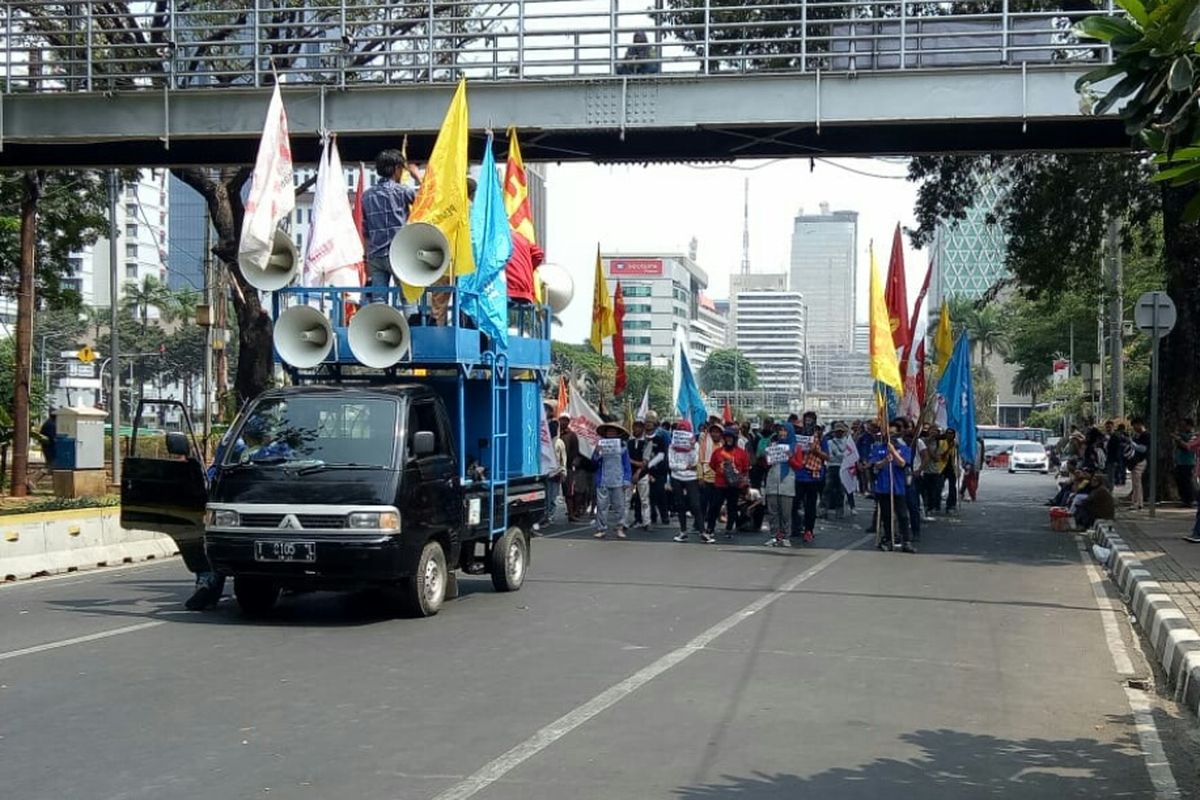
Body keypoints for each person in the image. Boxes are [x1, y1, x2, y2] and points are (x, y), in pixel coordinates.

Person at [361, 149, 422, 305]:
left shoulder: (367, 195)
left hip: (375, 256)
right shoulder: (402, 191)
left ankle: (379, 327)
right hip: (399, 255)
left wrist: (367, 258)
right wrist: (417, 175)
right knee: (408, 299)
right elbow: (427, 202)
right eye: (402, 169)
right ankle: (411, 327)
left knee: (379, 301)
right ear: (396, 169)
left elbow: (366, 231)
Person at [870, 419, 914, 553]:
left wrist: (894, 452)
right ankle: (889, 539)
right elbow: (875, 466)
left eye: (894, 434)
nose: (891, 437)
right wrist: (884, 461)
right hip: (883, 487)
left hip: (898, 487)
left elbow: (903, 464)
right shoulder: (878, 449)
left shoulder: (905, 449)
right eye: (889, 434)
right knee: (887, 516)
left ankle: (906, 541)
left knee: (903, 515)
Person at [761, 422, 801, 547]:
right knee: (773, 511)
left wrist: (790, 458)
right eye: (780, 431)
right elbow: (766, 464)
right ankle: (774, 536)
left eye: (785, 431)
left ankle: (785, 536)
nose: (782, 433)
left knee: (786, 512)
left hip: (787, 482)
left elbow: (799, 466)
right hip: (773, 481)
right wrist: (767, 456)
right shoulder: (773, 445)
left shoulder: (795, 447)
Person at [670, 421, 711, 543]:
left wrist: (692, 448)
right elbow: (671, 464)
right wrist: (684, 467)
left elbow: (695, 462)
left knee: (695, 505)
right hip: (676, 477)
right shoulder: (672, 446)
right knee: (679, 505)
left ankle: (702, 532)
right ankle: (683, 532)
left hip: (691, 478)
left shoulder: (695, 445)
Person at [707, 426, 750, 539]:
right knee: (715, 506)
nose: (728, 440)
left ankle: (729, 529)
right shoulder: (718, 452)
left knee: (732, 508)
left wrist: (742, 481)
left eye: (731, 437)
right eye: (726, 437)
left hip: (734, 485)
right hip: (720, 484)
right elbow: (712, 465)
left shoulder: (741, 453)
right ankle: (710, 528)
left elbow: (745, 469)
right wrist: (721, 470)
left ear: (735, 439)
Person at [792, 411, 828, 544]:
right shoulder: (798, 437)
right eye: (806, 419)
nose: (808, 422)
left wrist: (815, 450)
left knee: (810, 506)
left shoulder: (820, 437)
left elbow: (827, 456)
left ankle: (809, 530)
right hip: (798, 475)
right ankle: (796, 527)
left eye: (811, 420)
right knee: (795, 504)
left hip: (813, 476)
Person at [592, 422, 632, 539]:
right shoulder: (600, 445)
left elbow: (626, 465)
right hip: (603, 480)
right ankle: (601, 529)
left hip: (618, 480)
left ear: (617, 433)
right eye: (609, 431)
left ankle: (620, 527)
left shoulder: (623, 447)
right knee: (601, 506)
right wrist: (597, 452)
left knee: (619, 506)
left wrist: (626, 480)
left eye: (613, 431)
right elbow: (594, 462)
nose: (611, 433)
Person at [644, 411, 672, 526]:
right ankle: (652, 516)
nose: (648, 424)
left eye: (651, 422)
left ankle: (664, 516)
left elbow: (664, 453)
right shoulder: (643, 436)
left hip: (660, 469)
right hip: (646, 470)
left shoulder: (662, 435)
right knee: (648, 495)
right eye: (647, 422)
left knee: (660, 494)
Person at [824, 422, 853, 519]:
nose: (839, 433)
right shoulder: (830, 442)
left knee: (840, 491)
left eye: (841, 431)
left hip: (843, 468)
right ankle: (823, 510)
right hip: (832, 467)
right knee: (827, 489)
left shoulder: (848, 442)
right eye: (837, 431)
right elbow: (830, 457)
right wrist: (841, 456)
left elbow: (849, 456)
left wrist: (838, 456)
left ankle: (839, 511)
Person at [628, 419, 652, 530]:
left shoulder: (647, 442)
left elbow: (645, 462)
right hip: (629, 474)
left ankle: (646, 522)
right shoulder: (629, 442)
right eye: (634, 427)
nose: (635, 430)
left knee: (644, 500)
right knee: (626, 499)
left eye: (638, 427)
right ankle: (624, 522)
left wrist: (636, 470)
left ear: (642, 429)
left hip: (642, 474)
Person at [1127, 418, 1150, 510]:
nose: (1134, 428)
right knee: (1135, 482)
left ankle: (1138, 502)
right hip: (1136, 461)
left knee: (1137, 483)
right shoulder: (1138, 435)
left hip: (1141, 460)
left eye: (1135, 426)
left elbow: (1143, 449)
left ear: (1140, 424)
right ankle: (1136, 501)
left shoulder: (1146, 435)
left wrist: (1131, 443)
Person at [1174, 420, 1196, 508]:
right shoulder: (1182, 435)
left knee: (1187, 482)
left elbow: (1187, 447)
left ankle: (1190, 500)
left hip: (1188, 462)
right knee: (1180, 481)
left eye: (1185, 426)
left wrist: (1178, 439)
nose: (1183, 428)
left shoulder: (1192, 436)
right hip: (1180, 462)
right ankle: (1184, 499)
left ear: (1190, 426)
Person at [941, 429, 960, 515]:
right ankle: (935, 504)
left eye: (952, 434)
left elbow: (957, 457)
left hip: (952, 468)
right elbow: (941, 455)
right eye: (948, 433)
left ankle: (951, 505)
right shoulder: (942, 442)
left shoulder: (956, 444)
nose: (950, 435)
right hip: (941, 467)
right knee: (938, 486)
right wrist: (949, 447)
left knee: (952, 487)